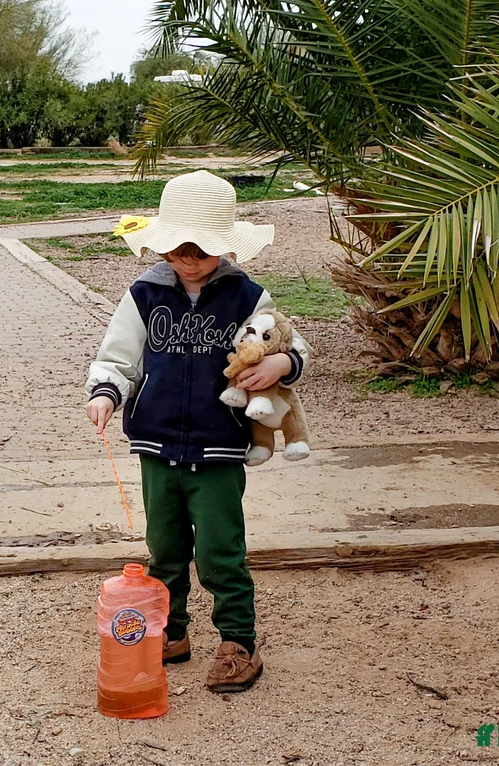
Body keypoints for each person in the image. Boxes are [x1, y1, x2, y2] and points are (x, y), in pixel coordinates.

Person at [85, 169, 311, 693]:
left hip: (219, 448)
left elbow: (292, 344)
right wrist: (104, 393)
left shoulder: (247, 297)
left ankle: (238, 641)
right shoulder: (143, 295)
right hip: (156, 445)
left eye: (201, 249)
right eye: (178, 248)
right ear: (162, 245)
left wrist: (280, 367)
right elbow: (117, 356)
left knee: (218, 550)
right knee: (163, 549)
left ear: (223, 248)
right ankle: (170, 633)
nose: (188, 259)